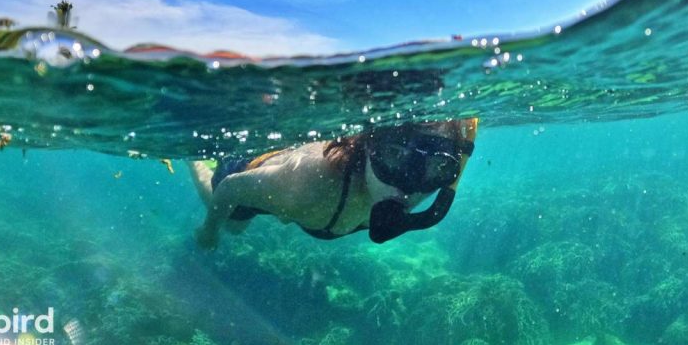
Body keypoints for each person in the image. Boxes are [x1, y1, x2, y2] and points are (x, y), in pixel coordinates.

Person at [189, 118, 477, 248]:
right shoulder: (310, 182)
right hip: (256, 166)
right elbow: (231, 187)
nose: (408, 186)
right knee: (234, 226)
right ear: (368, 147)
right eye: (394, 154)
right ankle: (195, 158)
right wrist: (208, 231)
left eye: (437, 165)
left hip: (306, 208)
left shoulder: (425, 184)